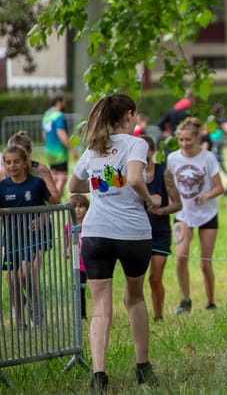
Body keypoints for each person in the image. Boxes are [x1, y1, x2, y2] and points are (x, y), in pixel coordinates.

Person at [67, 93, 160, 391]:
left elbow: (72, 185)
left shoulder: (95, 145)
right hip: (132, 233)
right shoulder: (136, 143)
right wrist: (150, 199)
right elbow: (134, 178)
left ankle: (99, 375)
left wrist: (98, 190)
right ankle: (142, 367)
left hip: (95, 234)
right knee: (134, 298)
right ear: (130, 114)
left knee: (100, 309)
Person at [167, 117, 224, 314]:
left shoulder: (207, 158)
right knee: (181, 257)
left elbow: (220, 187)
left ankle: (210, 301)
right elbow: (169, 184)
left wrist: (206, 195)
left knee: (204, 263)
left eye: (188, 140)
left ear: (197, 138)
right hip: (182, 213)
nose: (184, 144)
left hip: (207, 214)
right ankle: (185, 300)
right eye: (181, 140)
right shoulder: (173, 158)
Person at [1, 144, 51, 328]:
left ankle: (35, 306)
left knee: (26, 273)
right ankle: (20, 321)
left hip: (31, 237)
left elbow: (51, 204)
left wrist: (42, 218)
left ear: (24, 163)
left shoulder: (36, 184)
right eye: (8, 162)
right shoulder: (3, 186)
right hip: (11, 238)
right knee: (12, 279)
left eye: (16, 161)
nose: (12, 166)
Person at [141, 136, 182, 321]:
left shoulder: (163, 173)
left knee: (155, 278)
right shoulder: (132, 174)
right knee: (135, 280)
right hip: (137, 233)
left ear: (152, 151)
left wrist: (162, 210)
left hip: (159, 232)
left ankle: (158, 316)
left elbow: (177, 204)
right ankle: (139, 315)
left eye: (146, 149)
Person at [42, 94, 77, 202]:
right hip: (59, 152)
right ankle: (55, 201)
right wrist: (71, 149)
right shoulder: (59, 116)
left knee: (53, 178)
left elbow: (44, 134)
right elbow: (61, 133)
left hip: (49, 150)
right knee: (62, 178)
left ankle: (52, 199)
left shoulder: (47, 115)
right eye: (64, 102)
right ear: (59, 102)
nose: (65, 104)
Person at [68, 194, 90, 320]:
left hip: (91, 263)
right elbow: (66, 245)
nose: (77, 210)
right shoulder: (68, 227)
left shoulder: (90, 224)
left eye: (81, 206)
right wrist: (67, 251)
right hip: (78, 264)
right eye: (74, 207)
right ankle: (82, 315)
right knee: (79, 290)